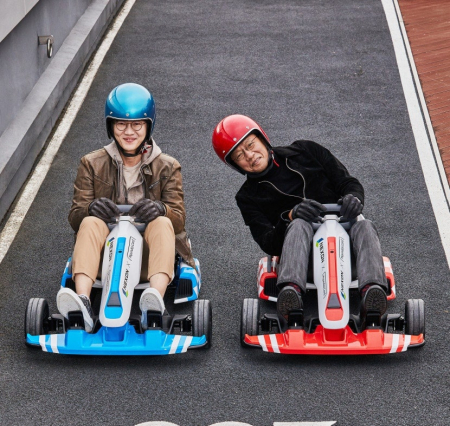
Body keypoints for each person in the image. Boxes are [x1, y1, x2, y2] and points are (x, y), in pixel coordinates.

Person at [212, 114, 388, 324]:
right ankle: (291, 294)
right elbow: (268, 243)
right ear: (235, 165)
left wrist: (354, 198)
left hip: (345, 247)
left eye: (250, 145)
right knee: (298, 225)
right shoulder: (247, 197)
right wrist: (289, 217)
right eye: (240, 155)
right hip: (303, 261)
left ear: (262, 137)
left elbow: (348, 182)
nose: (250, 156)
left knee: (365, 225)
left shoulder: (306, 151)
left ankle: (372, 293)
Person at [57, 82, 195, 332]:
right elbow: (75, 217)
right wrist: (91, 208)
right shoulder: (91, 163)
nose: (129, 132)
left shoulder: (168, 166)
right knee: (90, 222)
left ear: (148, 126)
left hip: (148, 258)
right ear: (110, 125)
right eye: (121, 124)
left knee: (162, 222)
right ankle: (83, 302)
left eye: (137, 124)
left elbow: (178, 219)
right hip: (106, 256)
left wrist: (161, 209)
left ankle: (154, 301)